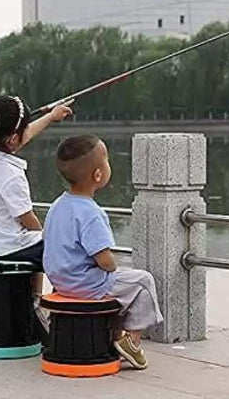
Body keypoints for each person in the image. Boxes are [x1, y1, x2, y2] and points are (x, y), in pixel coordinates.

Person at [43, 135, 163, 369]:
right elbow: (104, 260)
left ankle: (113, 333)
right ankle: (133, 341)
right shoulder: (91, 213)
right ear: (98, 175)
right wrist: (113, 266)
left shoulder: (57, 205)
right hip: (86, 284)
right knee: (142, 282)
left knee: (120, 285)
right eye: (107, 160)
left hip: (59, 280)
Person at [0, 95, 72, 333]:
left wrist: (51, 117)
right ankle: (51, 304)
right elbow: (26, 219)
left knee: (45, 244)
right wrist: (47, 236)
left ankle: (36, 298)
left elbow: (24, 134)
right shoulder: (11, 175)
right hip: (12, 247)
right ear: (13, 138)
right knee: (65, 250)